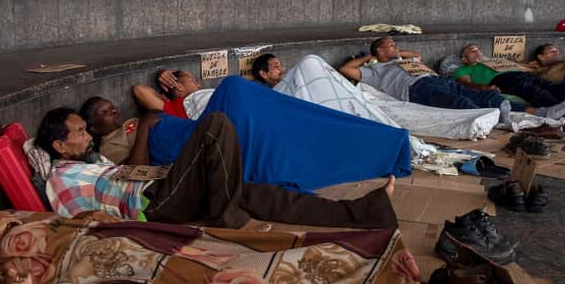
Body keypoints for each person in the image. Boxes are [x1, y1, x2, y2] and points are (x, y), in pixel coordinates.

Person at [34, 106, 400, 230]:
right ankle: (228, 216)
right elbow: (78, 221)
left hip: (162, 185)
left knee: (266, 195)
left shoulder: (92, 159)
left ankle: (366, 212)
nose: (86, 137)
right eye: (80, 132)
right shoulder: (61, 177)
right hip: (153, 205)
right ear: (59, 145)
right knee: (216, 125)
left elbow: (129, 171)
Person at [81, 76, 415, 193]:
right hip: (188, 146)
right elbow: (135, 173)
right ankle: (381, 147)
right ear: (95, 129)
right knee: (235, 90)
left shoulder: (132, 120)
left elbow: (140, 91)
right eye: (104, 114)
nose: (114, 112)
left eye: (112, 107)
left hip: (194, 129)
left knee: (272, 115)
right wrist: (146, 130)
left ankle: (386, 142)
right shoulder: (109, 147)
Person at [340, 37, 565, 124]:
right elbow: (346, 68)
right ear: (378, 51)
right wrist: (373, 56)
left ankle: (541, 113)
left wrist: (398, 53)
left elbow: (418, 57)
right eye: (389, 45)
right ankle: (498, 120)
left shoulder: (404, 60)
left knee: (491, 97)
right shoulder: (376, 70)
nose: (395, 47)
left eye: (394, 44)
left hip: (435, 79)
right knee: (458, 102)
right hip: (417, 88)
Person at [450, 44, 565, 111]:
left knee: (545, 83)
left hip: (518, 73)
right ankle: (558, 107)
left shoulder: (493, 60)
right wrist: (483, 87)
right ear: (464, 59)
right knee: (527, 88)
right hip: (500, 79)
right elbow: (465, 83)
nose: (478, 51)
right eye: (472, 51)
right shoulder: (464, 69)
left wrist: (532, 68)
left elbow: (515, 64)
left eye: (478, 49)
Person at [132, 69, 215, 120]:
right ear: (179, 87)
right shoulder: (177, 108)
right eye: (193, 81)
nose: (199, 85)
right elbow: (138, 90)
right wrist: (161, 74)